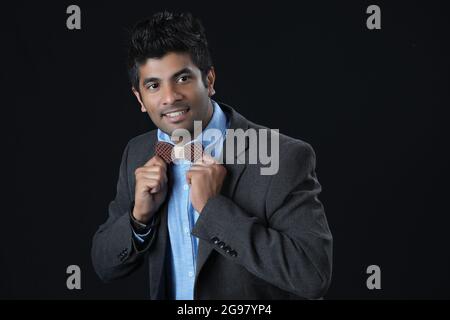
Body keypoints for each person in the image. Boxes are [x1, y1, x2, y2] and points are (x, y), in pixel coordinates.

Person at [91, 11, 332, 300]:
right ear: (140, 98)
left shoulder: (282, 156)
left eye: (182, 78)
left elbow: (312, 275)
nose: (170, 97)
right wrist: (139, 219)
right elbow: (104, 265)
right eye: (154, 85)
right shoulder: (138, 153)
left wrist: (214, 211)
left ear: (210, 79)